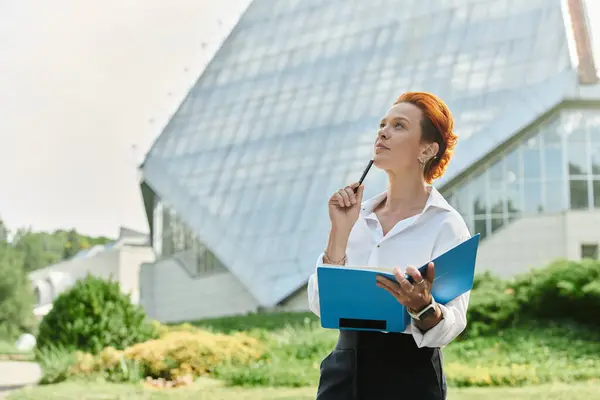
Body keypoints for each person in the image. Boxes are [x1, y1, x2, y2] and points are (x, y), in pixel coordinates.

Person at [307, 91, 472, 400]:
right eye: (383, 124)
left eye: (399, 125)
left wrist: (422, 307)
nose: (383, 131)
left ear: (427, 149)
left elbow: (453, 323)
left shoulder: (445, 224)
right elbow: (321, 305)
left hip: (409, 378)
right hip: (343, 374)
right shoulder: (356, 214)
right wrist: (339, 232)